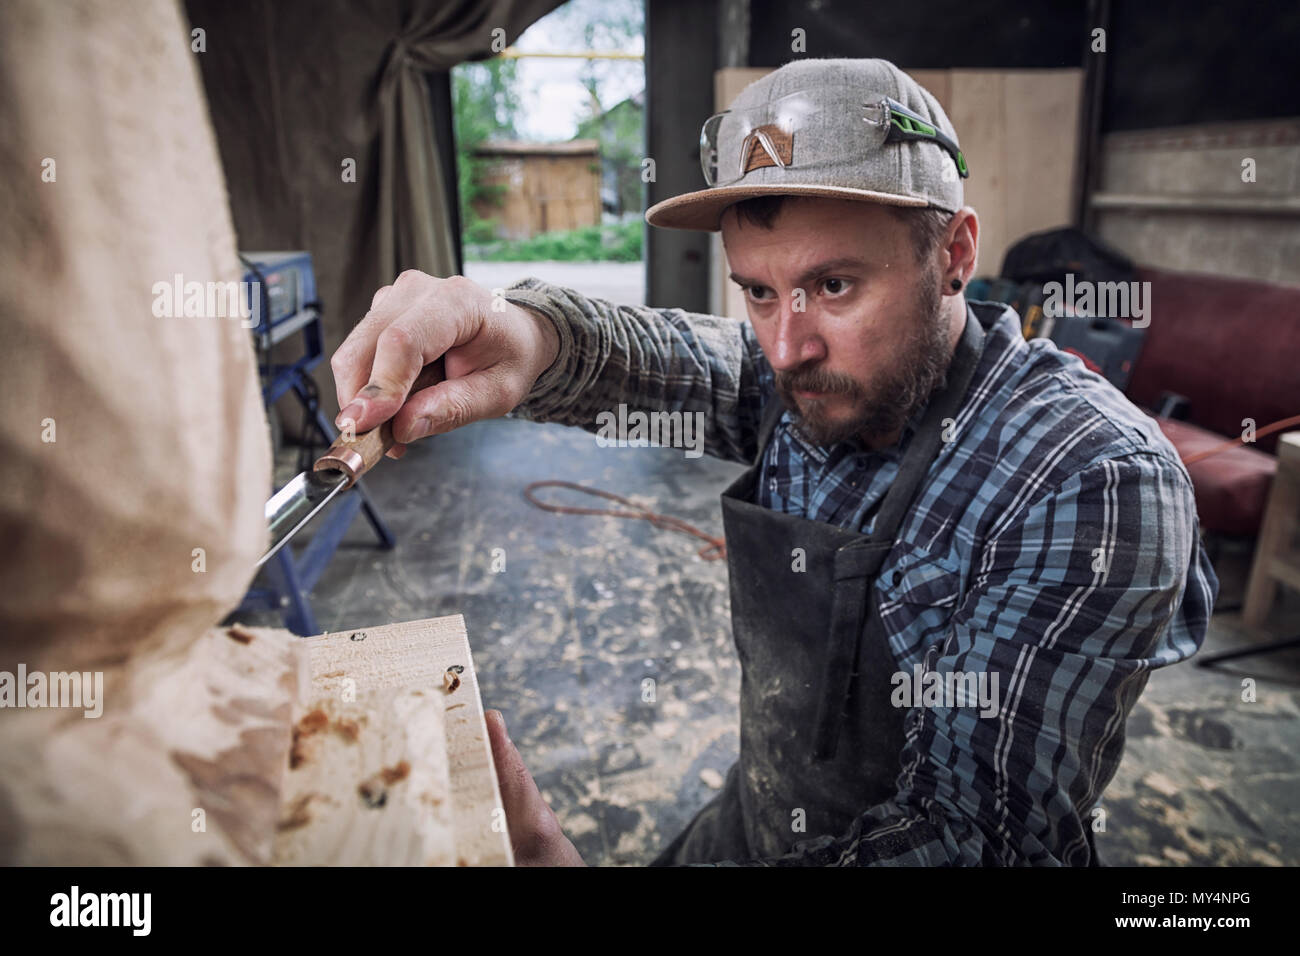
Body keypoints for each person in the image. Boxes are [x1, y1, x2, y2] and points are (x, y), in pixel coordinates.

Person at [328, 58, 1218, 866]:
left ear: (953, 255)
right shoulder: (807, 378)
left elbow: (970, 839)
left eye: (834, 286)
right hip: (755, 828)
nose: (787, 346)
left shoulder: (1091, 481)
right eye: (758, 290)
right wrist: (521, 330)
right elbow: (661, 356)